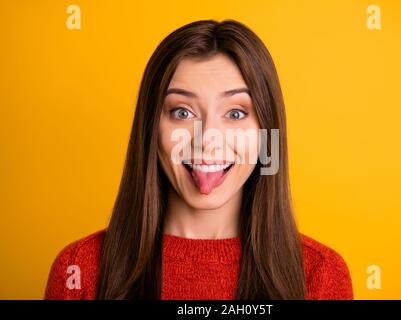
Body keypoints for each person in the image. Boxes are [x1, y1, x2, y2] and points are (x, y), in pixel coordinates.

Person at [44, 19, 353, 300]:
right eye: (182, 112)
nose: (207, 139)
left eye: (235, 113)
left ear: (266, 135)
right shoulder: (79, 271)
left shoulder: (321, 276)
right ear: (151, 129)